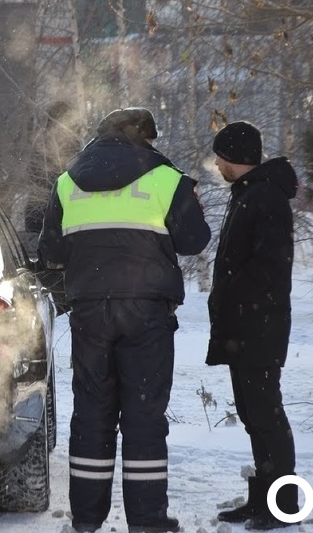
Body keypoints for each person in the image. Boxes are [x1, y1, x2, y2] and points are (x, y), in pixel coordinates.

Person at [38, 108, 211, 533]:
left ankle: (86, 519)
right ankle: (147, 520)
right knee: (144, 415)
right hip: (147, 313)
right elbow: (194, 241)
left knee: (92, 413)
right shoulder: (165, 177)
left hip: (90, 313)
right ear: (146, 139)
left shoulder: (66, 181)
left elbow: (52, 253)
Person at [206, 121, 301, 530]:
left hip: (259, 325)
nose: (217, 164)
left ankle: (283, 505)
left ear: (235, 158)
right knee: (252, 414)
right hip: (244, 327)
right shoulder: (248, 194)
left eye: (220, 157)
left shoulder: (265, 198)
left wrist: (231, 292)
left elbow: (268, 266)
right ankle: (262, 498)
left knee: (267, 416)